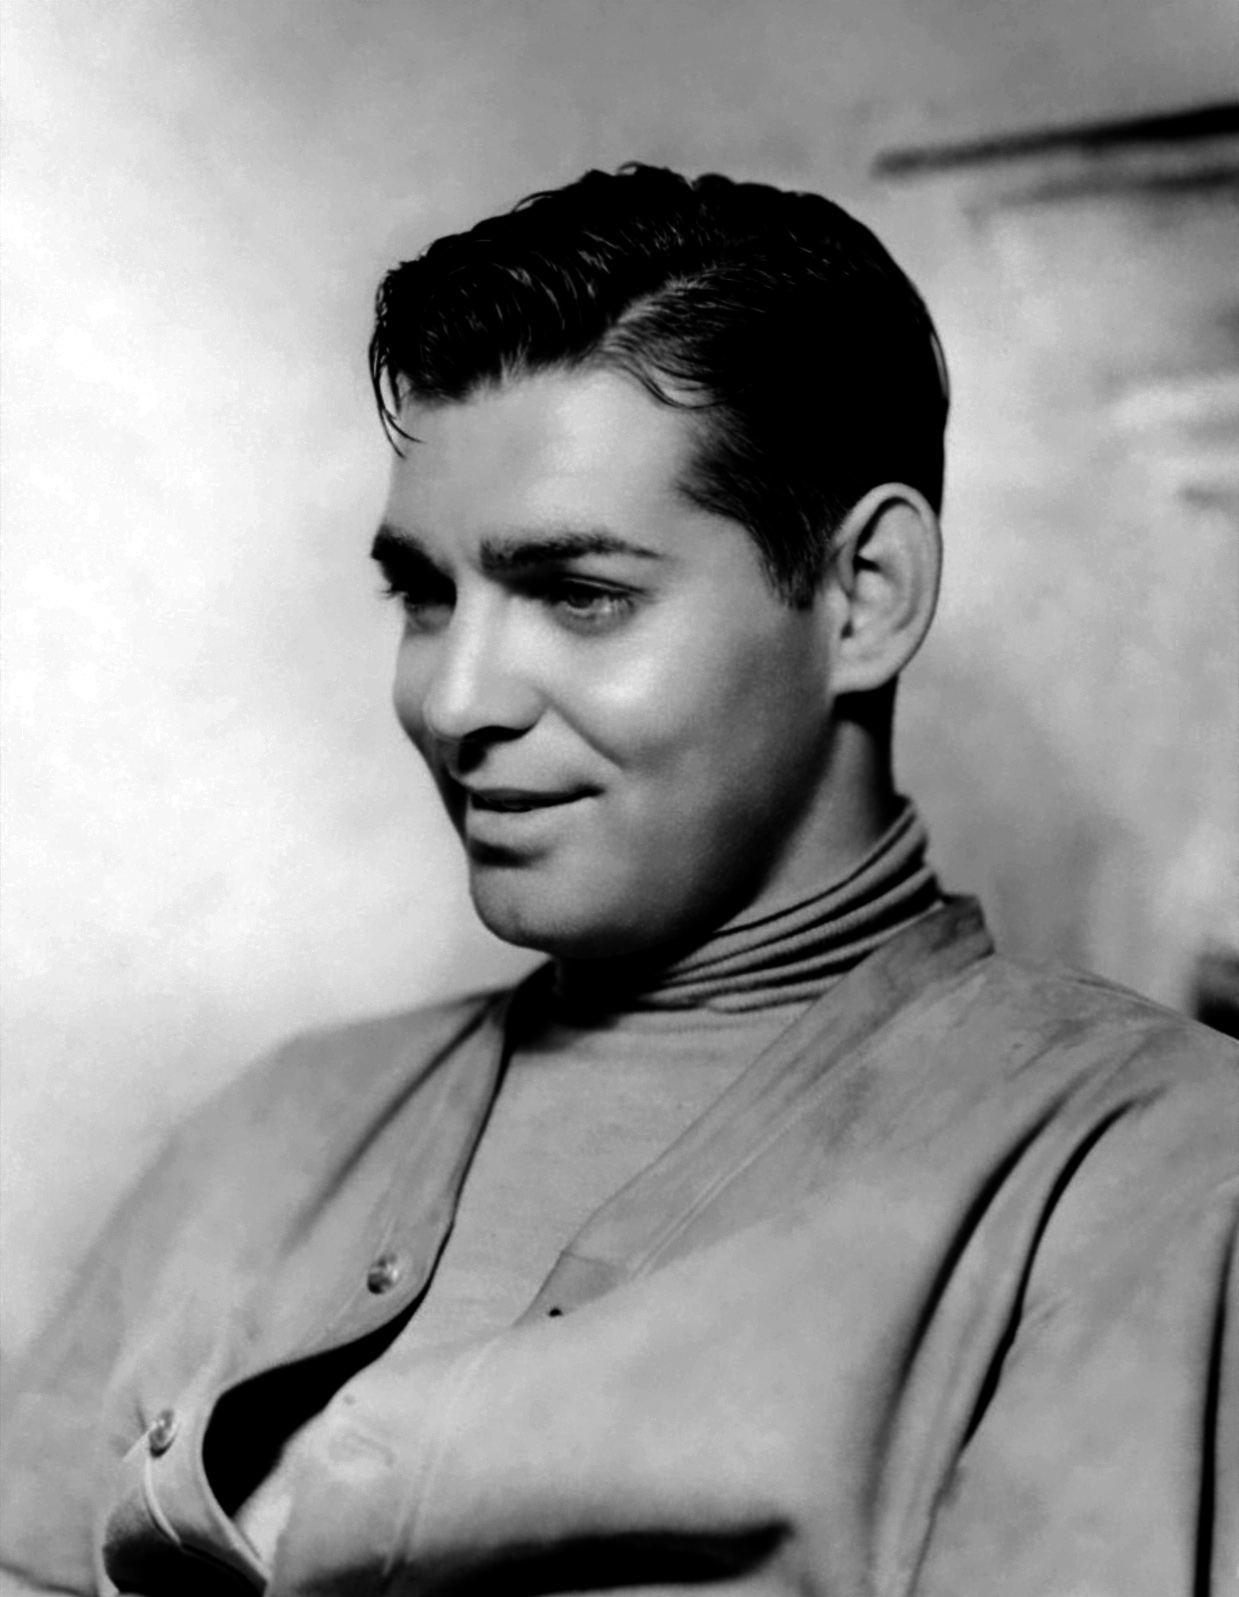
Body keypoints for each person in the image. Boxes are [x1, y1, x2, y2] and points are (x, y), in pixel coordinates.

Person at [1, 164, 1235, 1597]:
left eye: (582, 595)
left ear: (865, 595)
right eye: (425, 593)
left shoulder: (1146, 1172)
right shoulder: (270, 1127)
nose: (455, 699)